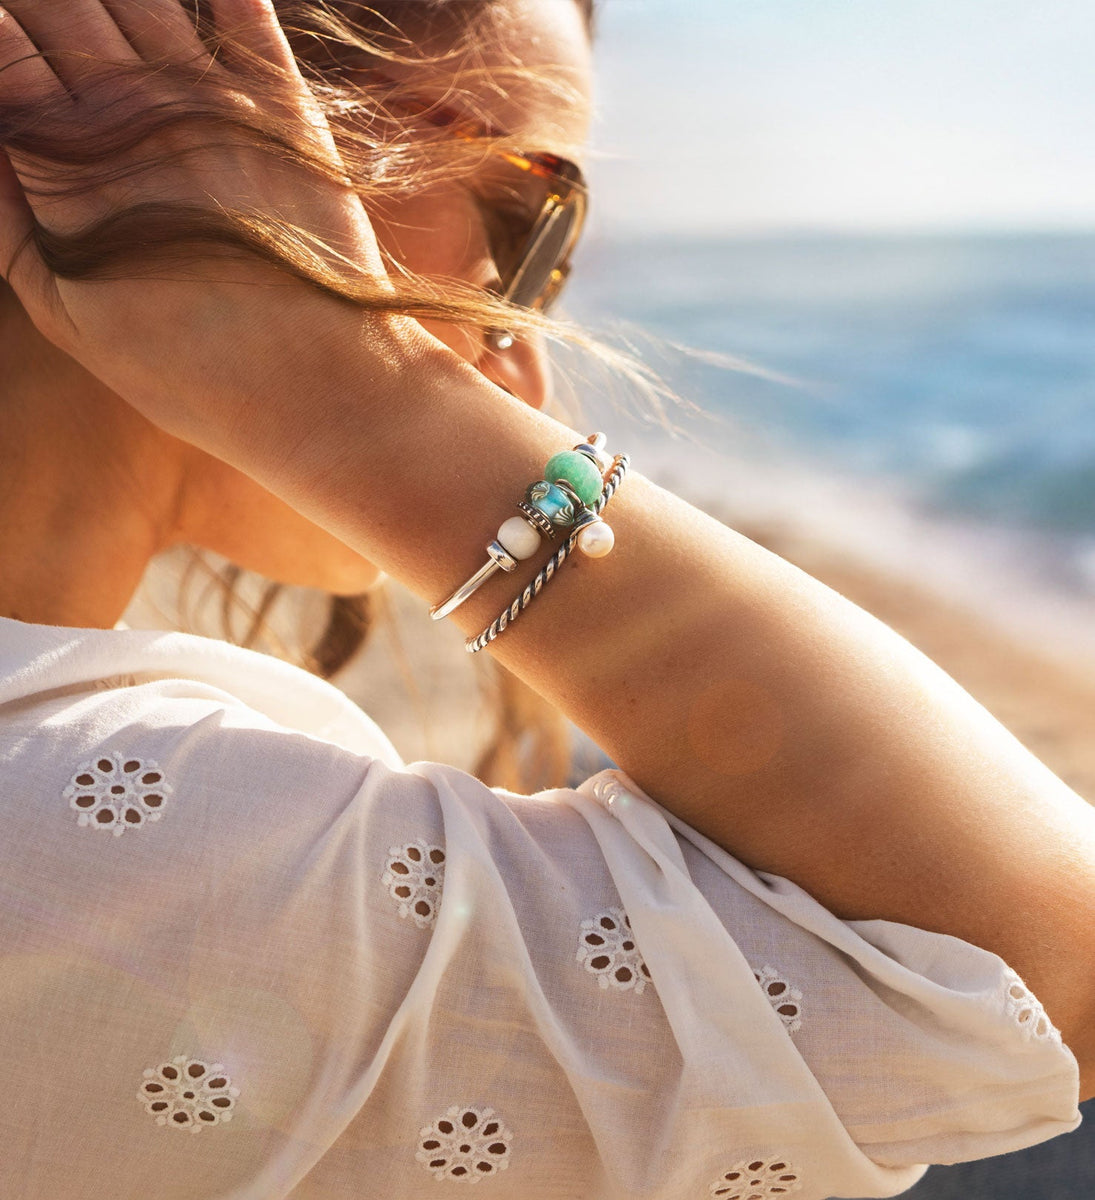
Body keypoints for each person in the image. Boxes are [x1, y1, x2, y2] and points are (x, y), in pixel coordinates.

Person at [0, 3, 1093, 1197]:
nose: (525, 348)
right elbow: (1046, 971)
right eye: (531, 221)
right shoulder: (139, 832)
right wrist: (362, 400)